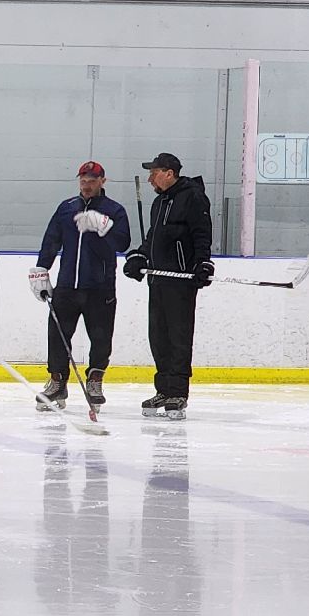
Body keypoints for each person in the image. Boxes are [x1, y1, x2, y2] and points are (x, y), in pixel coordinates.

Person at [29, 161, 129, 410]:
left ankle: (95, 380)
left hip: (100, 287)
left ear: (102, 181)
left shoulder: (115, 210)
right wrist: (42, 268)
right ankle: (57, 382)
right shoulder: (67, 208)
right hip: (67, 286)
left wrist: (105, 227)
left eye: (92, 181)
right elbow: (52, 239)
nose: (86, 185)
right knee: (57, 335)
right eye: (83, 180)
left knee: (101, 337)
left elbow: (123, 243)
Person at [123, 151, 212, 420]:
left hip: (180, 281)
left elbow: (201, 232)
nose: (150, 179)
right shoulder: (159, 201)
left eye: (154, 173)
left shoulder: (193, 196)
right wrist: (140, 256)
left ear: (169, 173)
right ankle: (163, 389)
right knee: (159, 337)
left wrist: (203, 262)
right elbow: (154, 236)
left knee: (178, 338)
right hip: (158, 279)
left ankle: (178, 392)